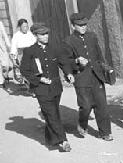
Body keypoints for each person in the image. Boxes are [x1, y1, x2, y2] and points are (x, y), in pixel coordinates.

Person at [61, 13, 112, 141]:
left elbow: (99, 54)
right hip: (81, 78)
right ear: (73, 26)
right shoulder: (68, 41)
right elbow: (65, 62)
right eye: (80, 25)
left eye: (85, 24)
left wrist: (105, 68)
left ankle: (105, 132)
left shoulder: (92, 36)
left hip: (96, 75)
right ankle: (82, 123)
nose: (83, 27)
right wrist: (77, 61)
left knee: (102, 105)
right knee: (86, 106)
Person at [20, 24, 71, 152]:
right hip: (41, 89)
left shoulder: (54, 48)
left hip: (56, 87)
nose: (46, 36)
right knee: (51, 113)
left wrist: (68, 73)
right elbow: (24, 70)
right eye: (42, 34)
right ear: (36, 36)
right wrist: (38, 79)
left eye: (47, 34)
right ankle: (63, 141)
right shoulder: (30, 51)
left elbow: (63, 62)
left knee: (53, 113)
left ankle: (51, 139)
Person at [0, 21, 11, 88]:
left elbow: (4, 34)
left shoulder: (0, 23)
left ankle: (5, 74)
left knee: (5, 64)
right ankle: (1, 81)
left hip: (1, 46)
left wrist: (9, 45)